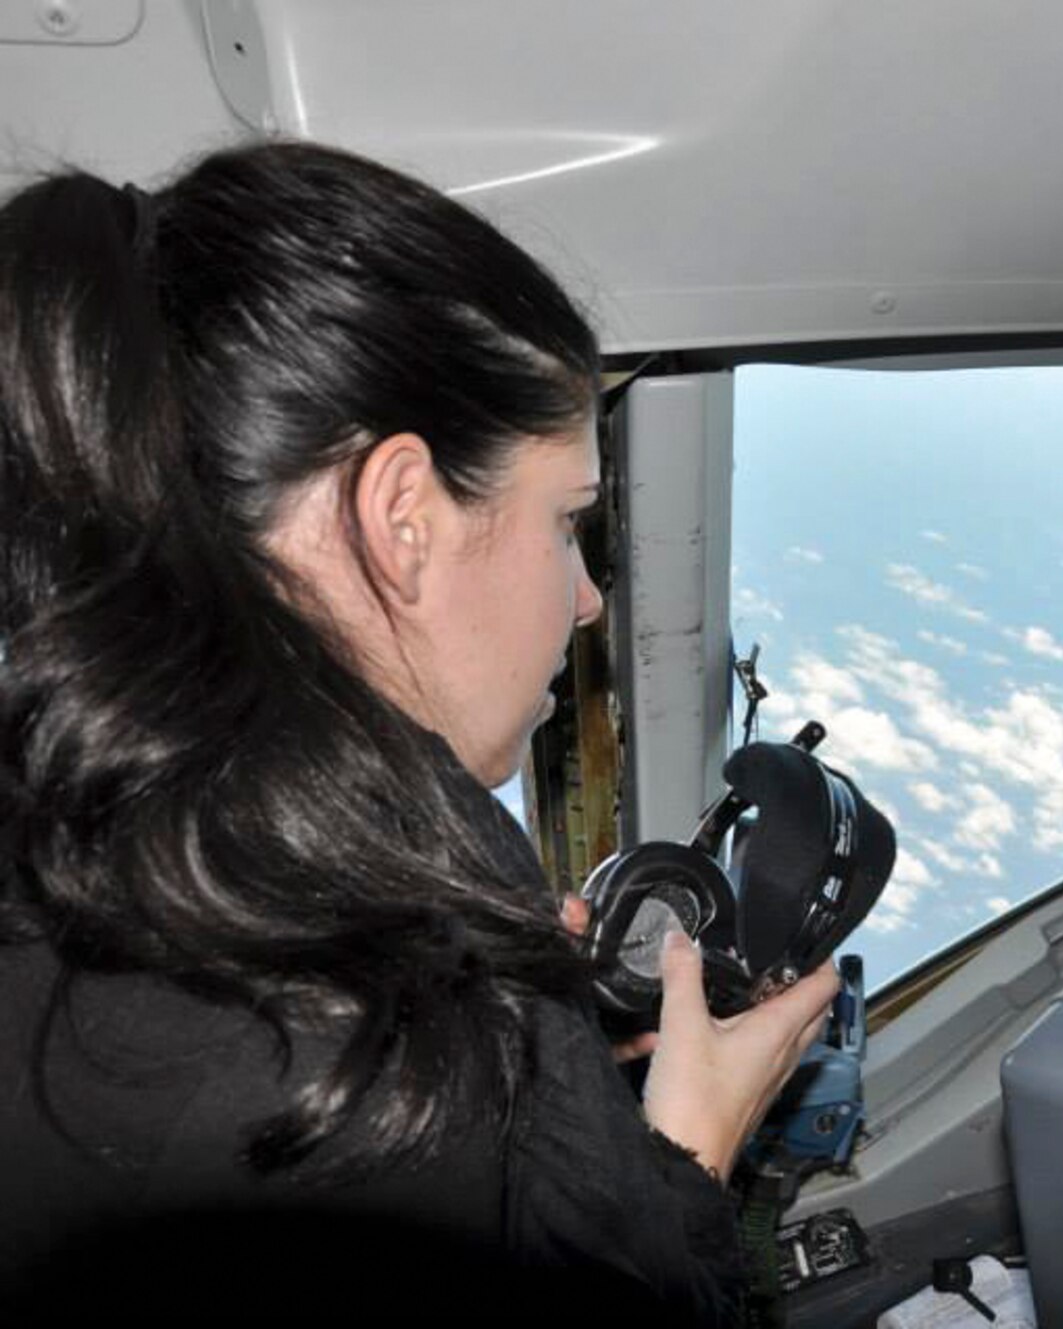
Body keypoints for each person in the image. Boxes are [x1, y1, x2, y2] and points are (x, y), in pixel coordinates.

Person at [0, 143, 836, 1319]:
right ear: (401, 517)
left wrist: (547, 1105)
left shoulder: (87, 817)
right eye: (566, 523)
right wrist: (682, 1160)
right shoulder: (364, 1054)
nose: (588, 598)